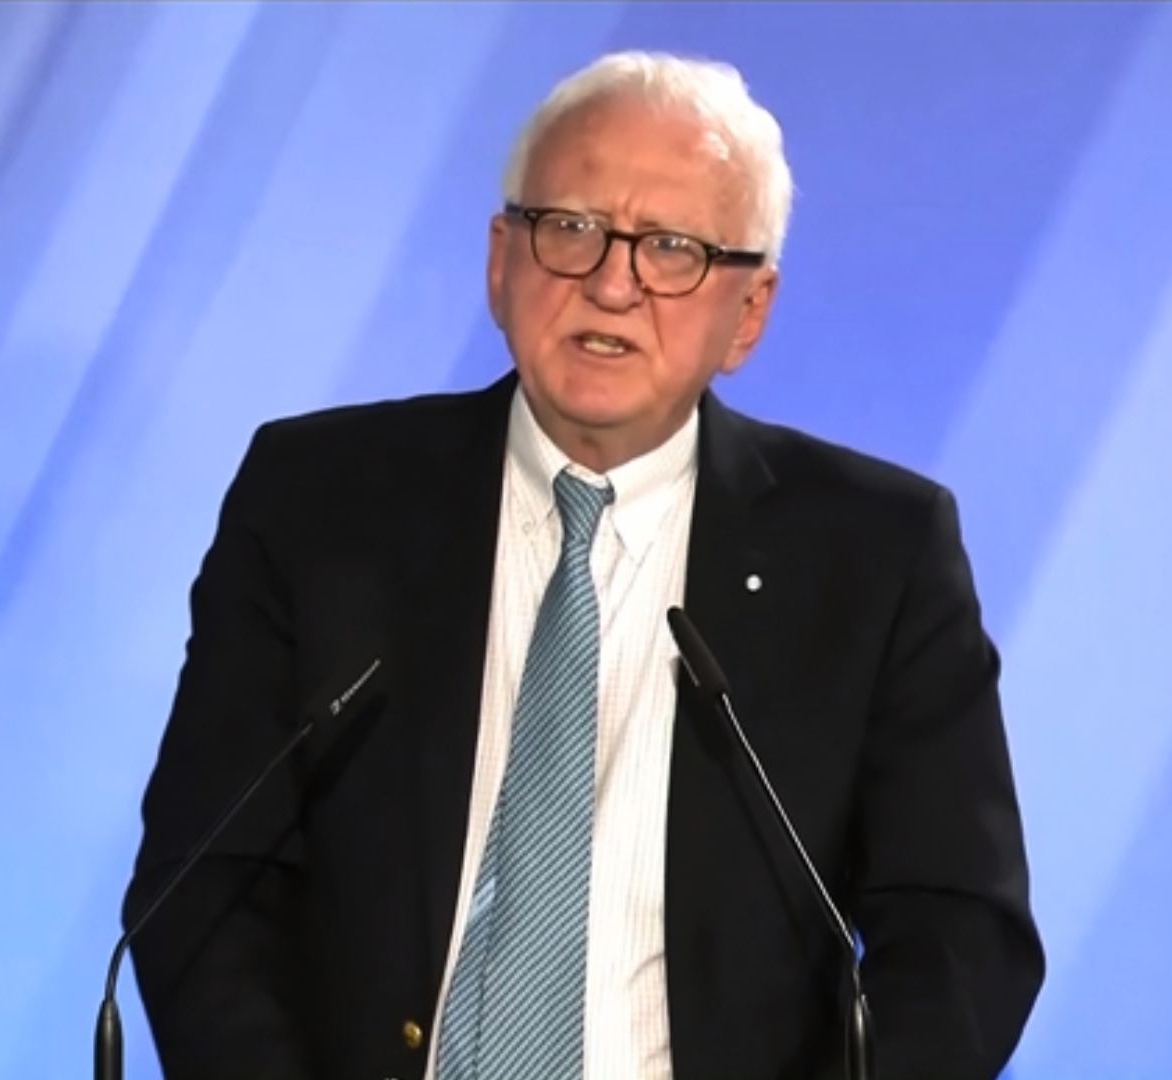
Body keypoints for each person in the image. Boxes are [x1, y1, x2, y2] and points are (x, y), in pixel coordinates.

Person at [124, 50, 1044, 1080]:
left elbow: (962, 938)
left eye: (674, 249)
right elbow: (207, 885)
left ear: (749, 313)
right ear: (500, 262)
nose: (612, 284)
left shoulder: (876, 554)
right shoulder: (318, 502)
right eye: (570, 228)